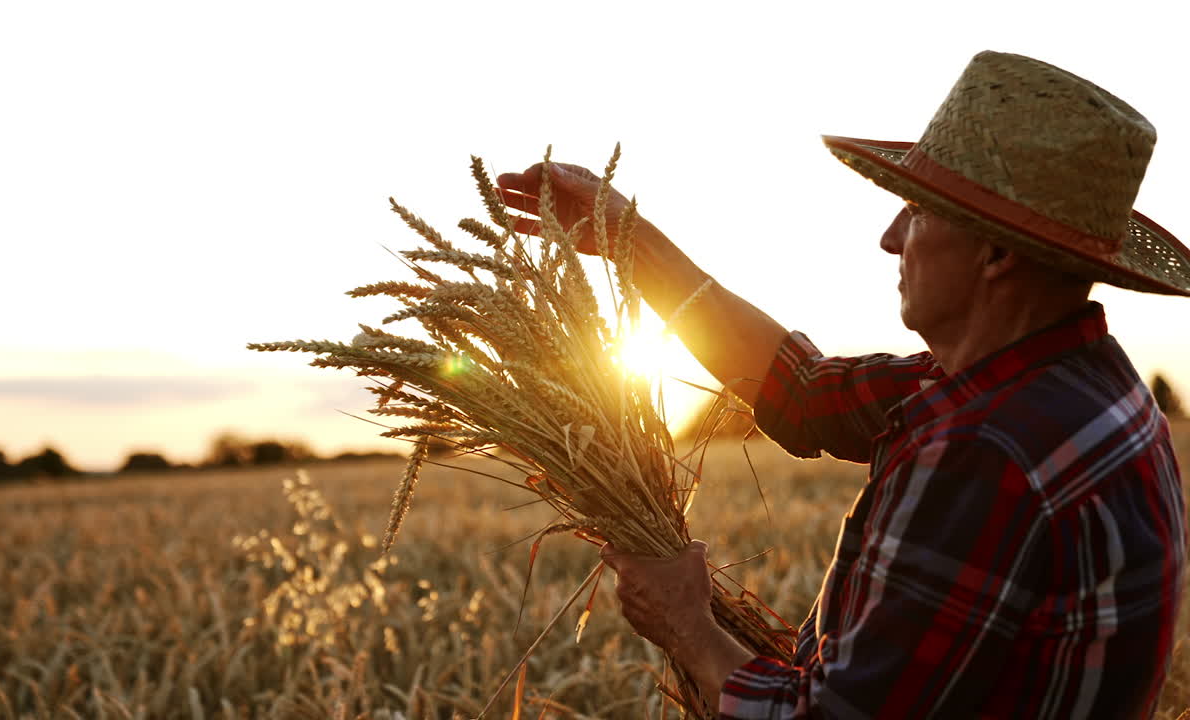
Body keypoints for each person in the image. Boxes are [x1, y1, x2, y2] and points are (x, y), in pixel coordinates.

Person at [497, 51, 1189, 718]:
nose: (890, 238)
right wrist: (629, 236)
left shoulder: (987, 451)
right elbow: (803, 393)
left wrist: (688, 627)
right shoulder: (1076, 385)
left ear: (998, 253)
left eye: (917, 211)